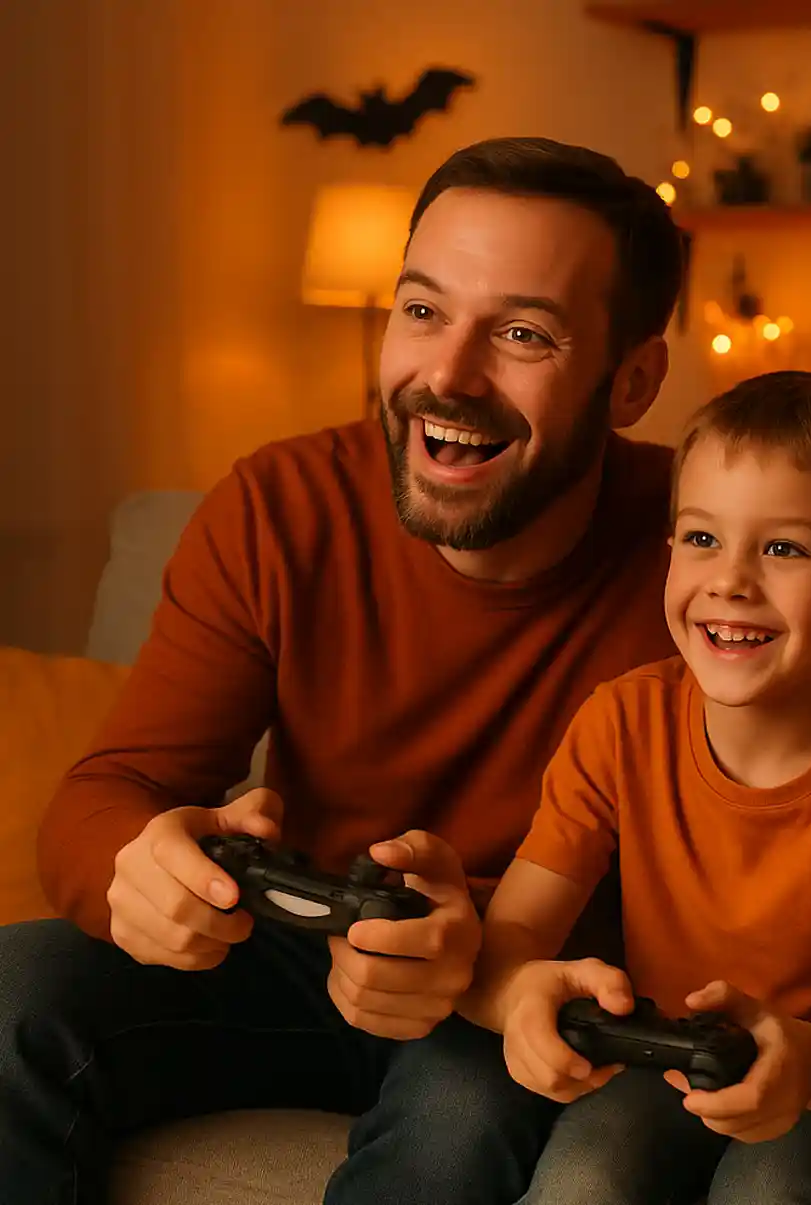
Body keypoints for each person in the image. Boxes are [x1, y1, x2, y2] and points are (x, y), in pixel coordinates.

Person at [0, 136, 686, 1205]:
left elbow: (740, 884)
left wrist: (493, 941)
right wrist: (140, 866)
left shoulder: (708, 558)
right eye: (420, 310)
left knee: (463, 1110)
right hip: (290, 941)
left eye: (520, 333)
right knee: (10, 989)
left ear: (632, 379)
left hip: (516, 982)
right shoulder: (281, 506)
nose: (447, 376)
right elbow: (106, 796)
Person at [457, 370, 811, 1205]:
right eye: (701, 539)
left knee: (771, 1194)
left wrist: (801, 1062)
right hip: (651, 1063)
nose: (730, 579)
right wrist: (521, 1004)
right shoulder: (619, 723)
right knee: (584, 1178)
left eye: (783, 548)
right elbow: (506, 947)